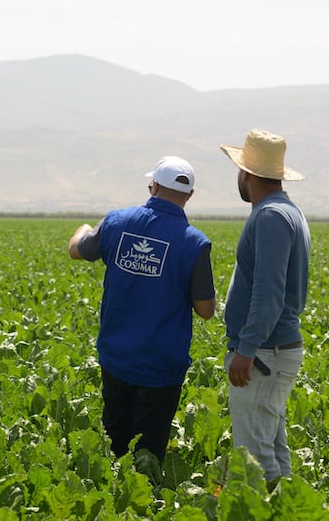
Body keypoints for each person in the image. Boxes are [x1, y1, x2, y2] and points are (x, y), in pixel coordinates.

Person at [68, 156, 216, 465]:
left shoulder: (116, 222)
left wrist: (83, 228)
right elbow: (206, 310)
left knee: (115, 447)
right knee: (147, 457)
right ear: (189, 196)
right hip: (161, 367)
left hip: (116, 358)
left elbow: (76, 249)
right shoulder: (194, 243)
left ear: (154, 186)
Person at [219, 129, 311, 484]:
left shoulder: (271, 216)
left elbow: (268, 292)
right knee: (272, 450)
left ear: (247, 174)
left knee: (255, 462)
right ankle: (285, 507)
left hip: (264, 354)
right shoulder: (285, 212)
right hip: (272, 350)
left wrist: (247, 347)